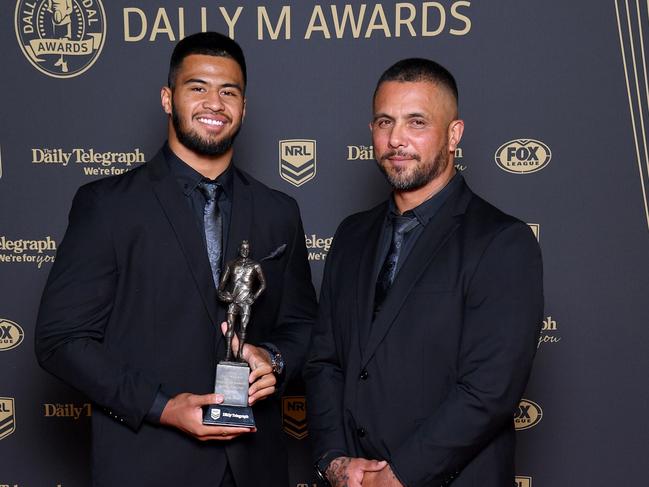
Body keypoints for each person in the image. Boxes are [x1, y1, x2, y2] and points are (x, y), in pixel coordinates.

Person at [35, 32, 317, 487]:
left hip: (254, 468)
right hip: (147, 465)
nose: (215, 102)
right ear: (168, 99)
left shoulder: (278, 212)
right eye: (197, 87)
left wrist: (276, 359)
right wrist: (162, 406)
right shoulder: (108, 206)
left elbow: (303, 325)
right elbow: (61, 340)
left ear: (244, 106)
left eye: (229, 91)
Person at [304, 58, 543, 487]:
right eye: (384, 121)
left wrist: (399, 475)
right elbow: (325, 361)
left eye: (416, 122)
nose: (396, 139)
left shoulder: (502, 242)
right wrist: (336, 461)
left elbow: (489, 390)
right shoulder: (352, 235)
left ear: (453, 135)